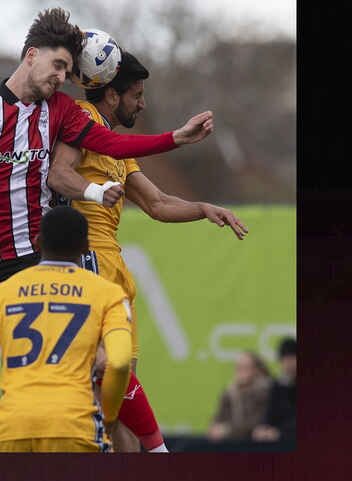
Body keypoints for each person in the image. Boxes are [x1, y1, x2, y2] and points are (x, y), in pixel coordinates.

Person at [0, 7, 215, 303]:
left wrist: (175, 138)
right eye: (59, 65)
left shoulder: (61, 108)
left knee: (58, 345)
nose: (63, 77)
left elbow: (112, 144)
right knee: (19, 348)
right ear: (32, 55)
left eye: (68, 70)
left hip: (42, 255)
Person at [46, 50, 249, 452]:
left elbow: (156, 204)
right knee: (99, 398)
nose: (144, 103)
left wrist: (203, 208)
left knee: (121, 403)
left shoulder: (115, 146)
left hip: (116, 272)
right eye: (137, 94)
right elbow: (58, 172)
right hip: (90, 268)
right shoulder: (84, 119)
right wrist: (94, 191)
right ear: (110, 96)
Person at [0, 206, 133, 452]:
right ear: (85, 247)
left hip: (10, 430)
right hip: (75, 428)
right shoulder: (109, 294)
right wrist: (108, 420)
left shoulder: (0, 295)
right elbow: (119, 362)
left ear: (38, 243)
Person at [207, 349, 272, 443]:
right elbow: (219, 417)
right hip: (230, 444)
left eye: (244, 367)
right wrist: (214, 427)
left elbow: (255, 423)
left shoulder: (265, 391)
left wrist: (227, 430)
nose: (239, 371)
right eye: (237, 367)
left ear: (257, 370)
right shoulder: (229, 392)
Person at [252, 337, 297, 443]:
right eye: (284, 359)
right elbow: (270, 413)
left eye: (291, 358)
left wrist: (279, 432)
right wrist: (263, 428)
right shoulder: (277, 386)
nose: (287, 363)